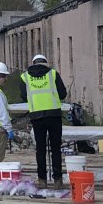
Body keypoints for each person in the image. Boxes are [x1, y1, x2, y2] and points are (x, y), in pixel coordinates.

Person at [19, 54, 67, 190]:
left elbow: (24, 96)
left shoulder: (25, 77)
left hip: (36, 116)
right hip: (54, 115)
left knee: (40, 149)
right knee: (56, 149)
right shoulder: (53, 74)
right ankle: (58, 181)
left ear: (33, 63)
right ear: (46, 62)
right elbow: (63, 94)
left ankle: (42, 181)